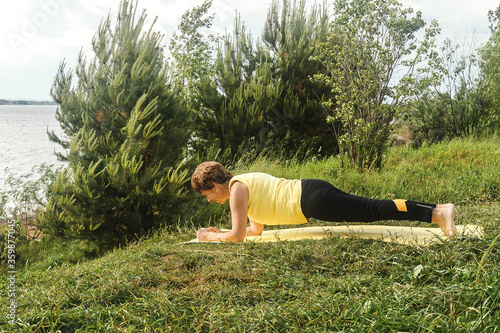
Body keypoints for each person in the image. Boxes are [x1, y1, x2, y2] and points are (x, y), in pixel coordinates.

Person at [191, 161, 457, 242]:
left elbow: (237, 238)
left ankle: (436, 214)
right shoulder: (244, 185)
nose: (210, 199)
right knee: (370, 208)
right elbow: (254, 230)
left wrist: (208, 237)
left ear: (213, 185)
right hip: (312, 194)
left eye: (207, 194)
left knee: (371, 209)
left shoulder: (237, 190)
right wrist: (222, 232)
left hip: (311, 200)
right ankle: (438, 210)